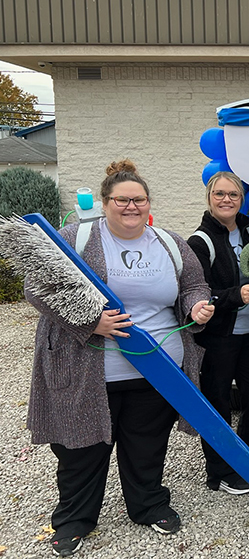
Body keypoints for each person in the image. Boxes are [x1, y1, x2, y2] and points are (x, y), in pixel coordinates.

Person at [25, 160, 214, 557]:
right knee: (82, 448)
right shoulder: (74, 237)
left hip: (158, 366)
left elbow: (193, 284)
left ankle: (148, 506)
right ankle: (74, 519)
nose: (132, 207)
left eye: (139, 200)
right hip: (88, 370)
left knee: (146, 443)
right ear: (105, 201)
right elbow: (37, 287)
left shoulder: (169, 242)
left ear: (149, 204)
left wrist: (197, 306)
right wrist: (90, 322)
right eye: (122, 200)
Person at [187, 171, 249, 497]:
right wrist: (235, 296)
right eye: (220, 194)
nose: (226, 200)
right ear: (209, 198)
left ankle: (245, 459)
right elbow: (196, 292)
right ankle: (219, 473)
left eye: (233, 195)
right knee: (218, 404)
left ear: (242, 199)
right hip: (218, 337)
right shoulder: (199, 241)